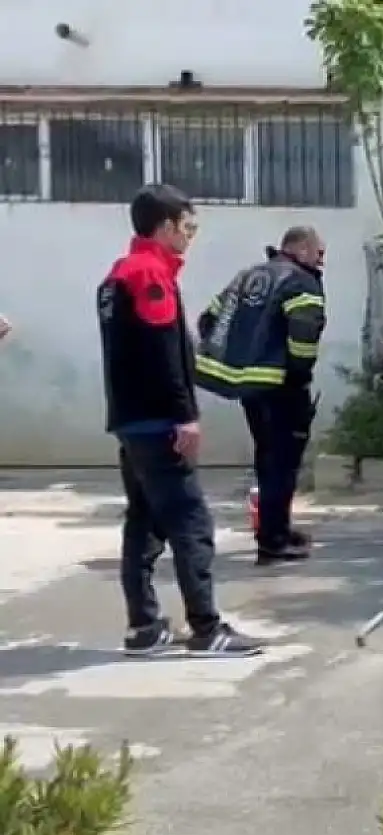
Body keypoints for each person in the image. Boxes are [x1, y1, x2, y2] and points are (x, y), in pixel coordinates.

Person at [99, 185, 261, 657]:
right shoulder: (149, 273)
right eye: (188, 227)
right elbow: (162, 352)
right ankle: (207, 629)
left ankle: (144, 628)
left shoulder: (116, 276)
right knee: (192, 523)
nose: (191, 237)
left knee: (143, 522)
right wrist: (184, 416)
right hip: (157, 422)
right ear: (166, 225)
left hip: (131, 421)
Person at [196, 226, 327, 565]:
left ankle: (277, 528)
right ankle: (273, 541)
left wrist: (237, 357)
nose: (321, 258)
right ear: (299, 249)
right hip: (282, 386)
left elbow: (209, 318)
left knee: (268, 458)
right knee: (283, 464)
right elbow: (304, 333)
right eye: (318, 252)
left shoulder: (248, 276)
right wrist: (299, 375)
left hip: (250, 386)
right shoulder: (301, 280)